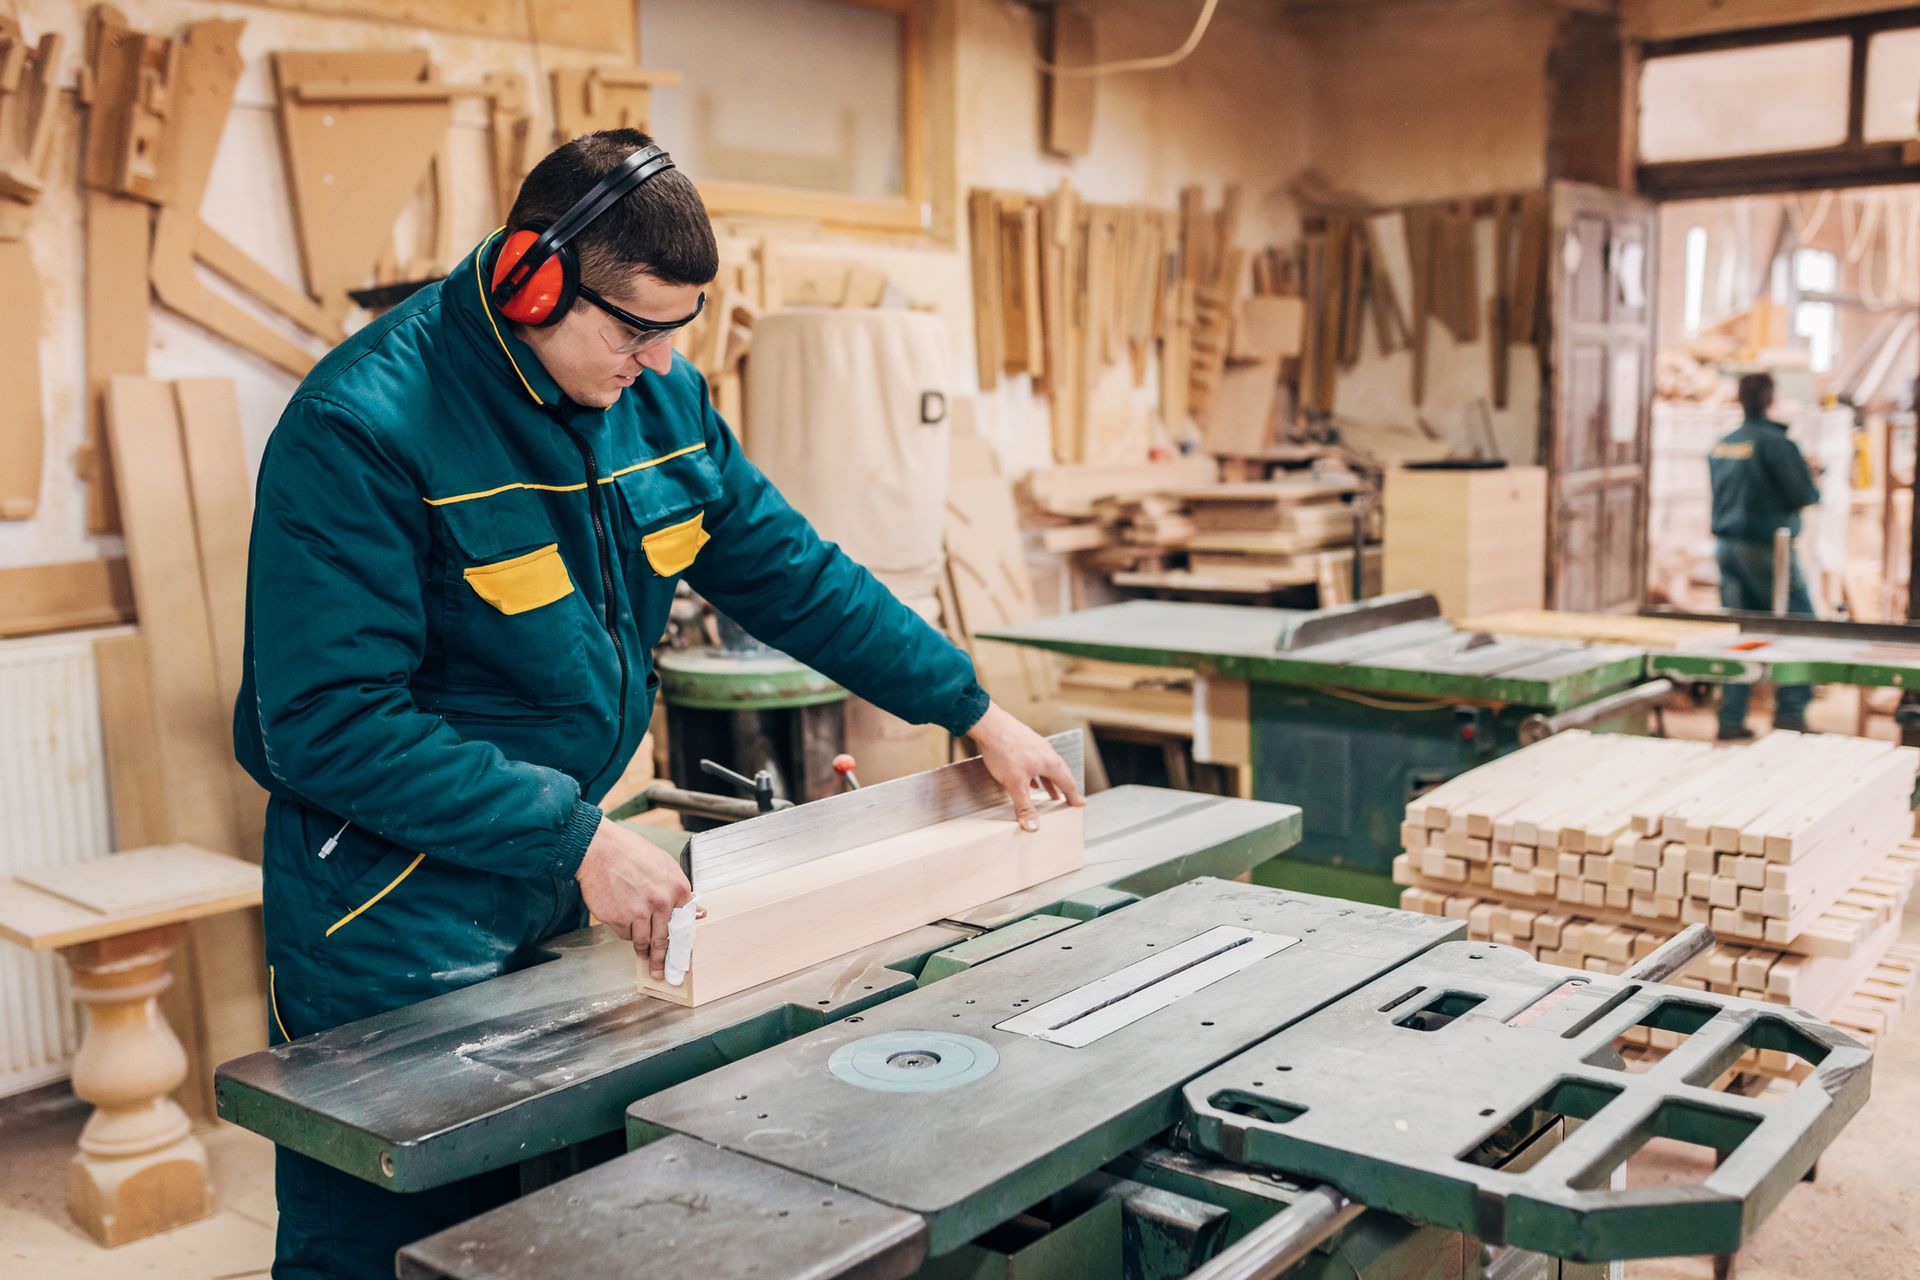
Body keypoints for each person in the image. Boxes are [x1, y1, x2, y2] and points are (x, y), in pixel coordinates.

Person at [233, 130, 1083, 1279]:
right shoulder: (364, 427)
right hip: (387, 912)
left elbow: (795, 572)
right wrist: (577, 835)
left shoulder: (655, 402)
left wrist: (974, 708)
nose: (664, 363)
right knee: (380, 1244)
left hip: (544, 883)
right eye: (636, 330)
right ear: (533, 279)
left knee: (535, 1228)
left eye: (677, 332)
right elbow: (324, 721)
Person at [1706, 370, 1820, 740]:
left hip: (1727, 547)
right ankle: (1790, 713)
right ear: (1772, 400)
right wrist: (1812, 475)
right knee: (1801, 626)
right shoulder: (1777, 444)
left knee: (1742, 632)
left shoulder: (1724, 443)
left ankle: (1730, 718)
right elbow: (1803, 495)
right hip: (1768, 550)